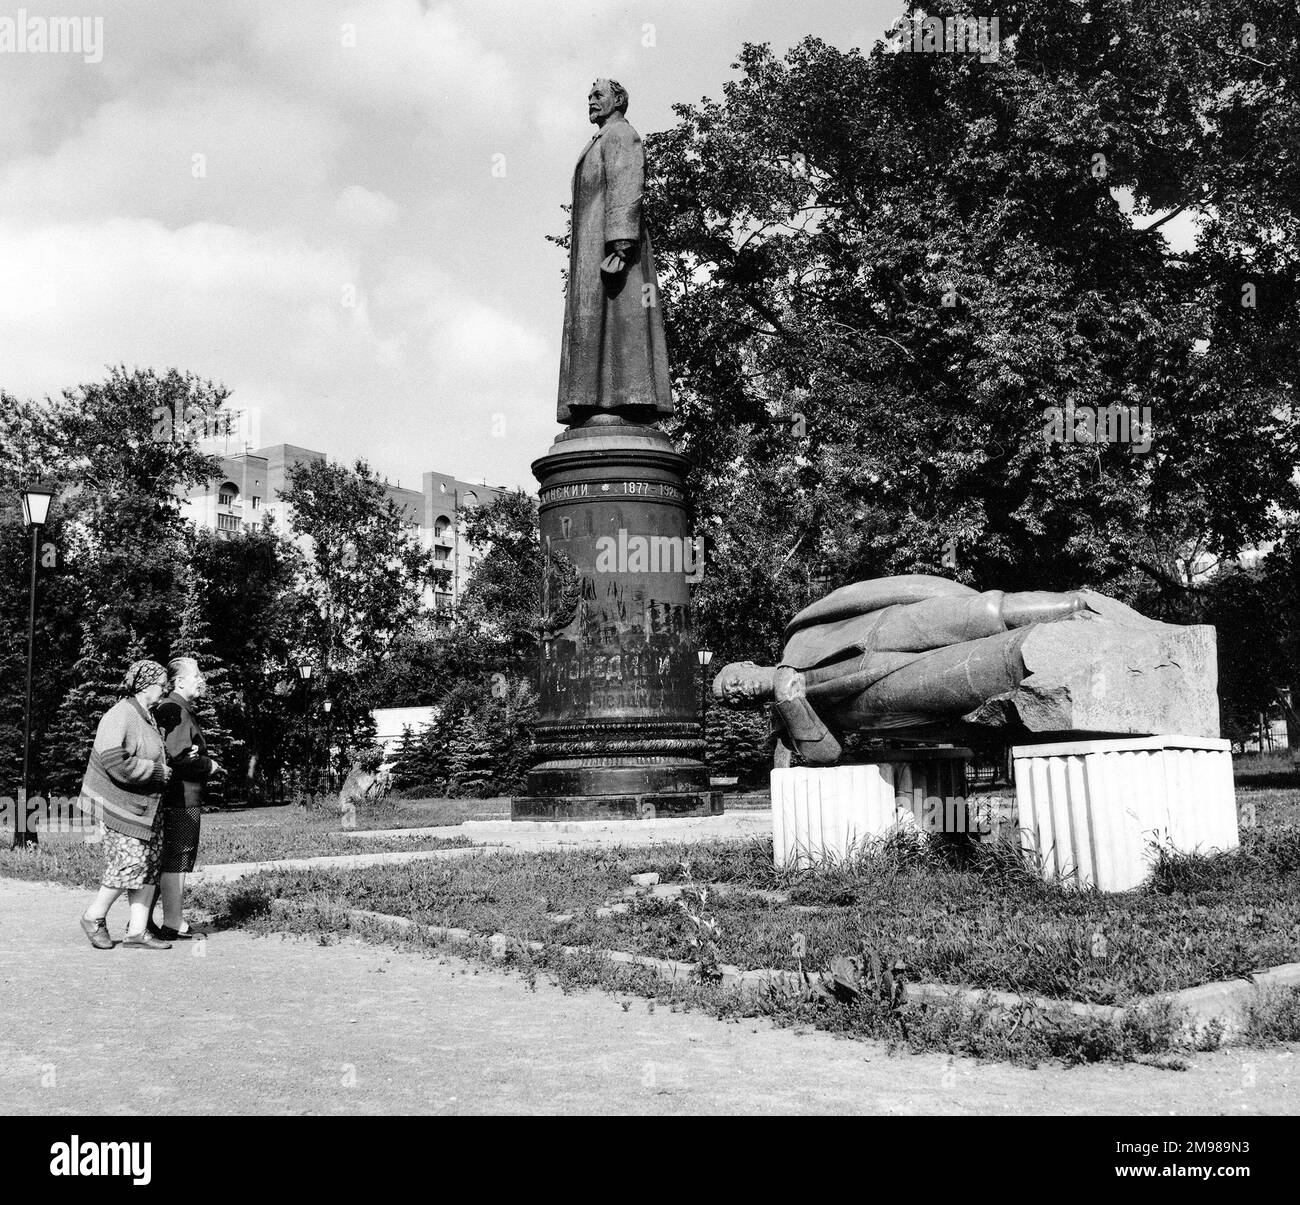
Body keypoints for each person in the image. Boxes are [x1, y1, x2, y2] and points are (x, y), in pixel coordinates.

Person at [556, 78, 673, 424]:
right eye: (589, 96)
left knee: (620, 322)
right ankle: (596, 400)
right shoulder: (600, 138)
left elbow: (627, 186)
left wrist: (621, 244)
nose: (590, 100)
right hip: (593, 251)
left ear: (618, 100)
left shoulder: (621, 135)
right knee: (599, 325)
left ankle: (621, 401)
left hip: (612, 252)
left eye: (598, 95)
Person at [78, 660, 174, 950]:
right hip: (118, 806)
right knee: (128, 864)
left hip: (143, 806)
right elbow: (113, 761)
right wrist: (156, 771)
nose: (166, 688)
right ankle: (93, 917)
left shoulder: (146, 715)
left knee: (148, 866)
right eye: (162, 684)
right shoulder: (121, 714)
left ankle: (136, 931)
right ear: (145, 686)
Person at [148, 657, 223, 940]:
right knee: (177, 858)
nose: (201, 680)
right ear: (179, 682)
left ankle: (157, 920)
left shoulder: (177, 707)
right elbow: (178, 755)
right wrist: (207, 765)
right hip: (180, 796)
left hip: (181, 794)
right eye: (197, 675)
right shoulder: (176, 708)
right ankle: (172, 922)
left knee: (175, 858)